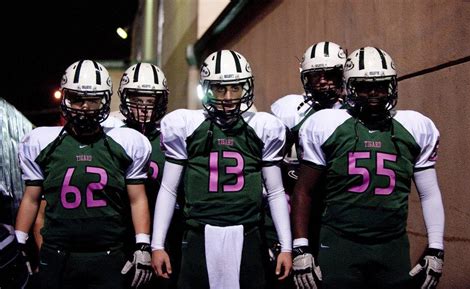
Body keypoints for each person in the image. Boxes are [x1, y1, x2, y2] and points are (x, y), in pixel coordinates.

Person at [291, 47, 445, 289]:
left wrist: (436, 247)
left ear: (392, 84)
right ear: (350, 86)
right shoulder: (326, 124)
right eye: (364, 86)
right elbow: (303, 190)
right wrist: (301, 246)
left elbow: (429, 192)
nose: (374, 92)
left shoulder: (416, 126)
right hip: (340, 243)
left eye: (381, 84)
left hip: (392, 244)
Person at [151, 49, 292, 289]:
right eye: (220, 88)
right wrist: (157, 245)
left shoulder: (262, 126)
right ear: (207, 89)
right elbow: (168, 188)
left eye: (235, 88)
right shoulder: (186, 125)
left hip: (248, 232)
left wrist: (286, 247)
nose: (228, 96)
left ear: (245, 88)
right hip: (198, 231)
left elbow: (276, 191)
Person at [14, 59, 153, 289]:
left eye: (93, 99)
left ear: (105, 100)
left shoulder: (125, 142)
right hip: (58, 253)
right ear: (66, 98)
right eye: (78, 99)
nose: (85, 107)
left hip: (108, 253)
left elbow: (137, 199)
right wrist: (20, 242)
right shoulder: (42, 142)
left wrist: (143, 245)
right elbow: (31, 198)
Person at [269, 41, 347, 288]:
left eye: (330, 75)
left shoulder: (352, 112)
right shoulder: (291, 110)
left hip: (335, 209)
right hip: (297, 204)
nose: (323, 82)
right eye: (315, 76)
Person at [118, 62, 183, 289]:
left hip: (167, 235)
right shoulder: (115, 137)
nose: (144, 108)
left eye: (150, 101)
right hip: (123, 234)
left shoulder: (171, 137)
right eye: (137, 100)